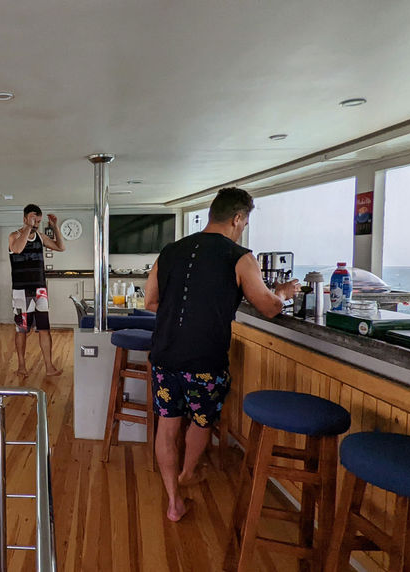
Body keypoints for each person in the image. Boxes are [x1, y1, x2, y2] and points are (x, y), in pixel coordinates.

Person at [144, 187, 300, 522]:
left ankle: (174, 501)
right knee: (202, 419)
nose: (243, 228)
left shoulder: (169, 251)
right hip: (204, 359)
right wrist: (284, 293)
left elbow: (151, 302)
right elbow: (269, 307)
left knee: (167, 426)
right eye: (244, 222)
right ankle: (187, 474)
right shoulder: (240, 256)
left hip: (165, 354)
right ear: (238, 218)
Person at [8, 204, 65, 376]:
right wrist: (27, 227)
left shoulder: (40, 236)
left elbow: (60, 247)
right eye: (33, 220)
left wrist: (55, 226)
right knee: (22, 330)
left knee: (45, 329)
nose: (36, 224)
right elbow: (17, 249)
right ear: (25, 218)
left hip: (40, 290)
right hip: (20, 291)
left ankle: (49, 367)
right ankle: (21, 366)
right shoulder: (14, 236)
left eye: (38, 221)